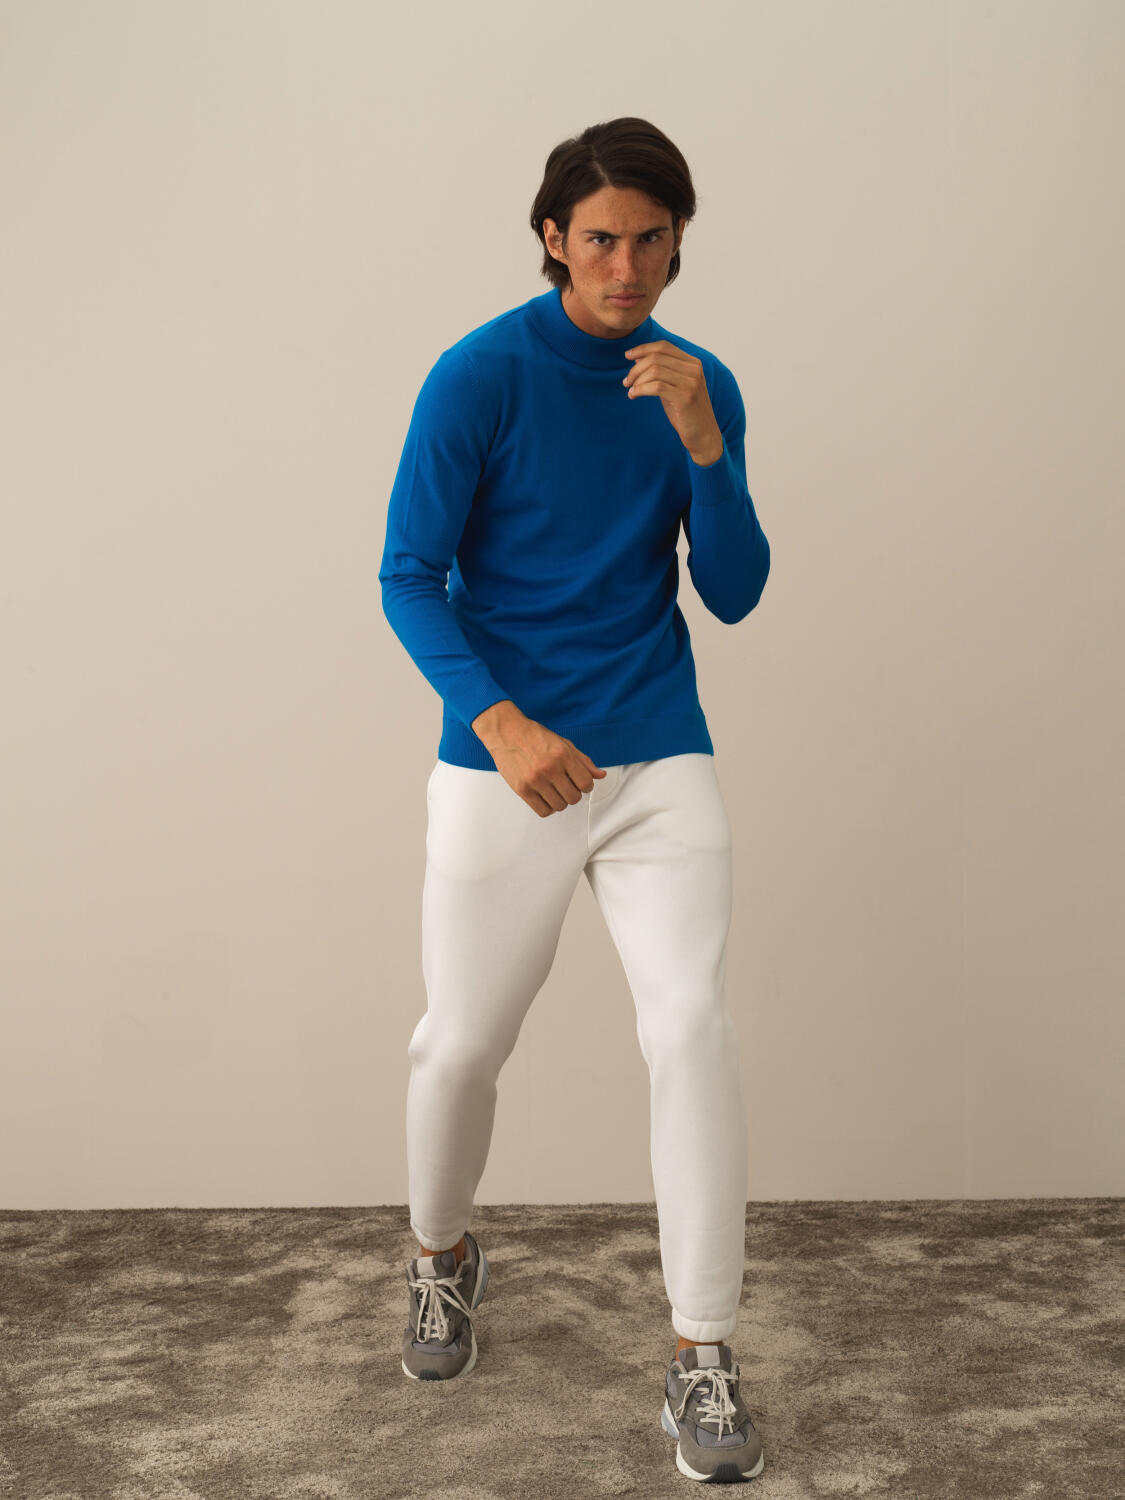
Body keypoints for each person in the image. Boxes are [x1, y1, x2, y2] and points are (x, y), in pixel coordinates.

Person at [378, 116, 769, 1483]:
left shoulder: (696, 382)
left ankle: (702, 1351)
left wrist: (706, 446)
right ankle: (440, 1257)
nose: (626, 267)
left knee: (692, 1026)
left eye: (651, 241)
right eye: (600, 239)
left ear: (678, 242)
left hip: (655, 752)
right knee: (458, 1049)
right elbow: (407, 574)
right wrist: (502, 727)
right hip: (508, 762)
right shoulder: (479, 375)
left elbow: (733, 592)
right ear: (553, 238)